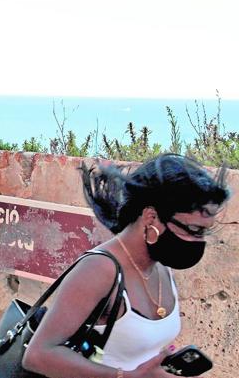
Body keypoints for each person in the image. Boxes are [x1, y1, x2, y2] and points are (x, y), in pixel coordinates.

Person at [21, 153, 230, 378]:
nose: (199, 242)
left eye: (204, 232)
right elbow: (38, 355)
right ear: (151, 218)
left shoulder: (161, 267)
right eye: (194, 230)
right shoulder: (99, 270)